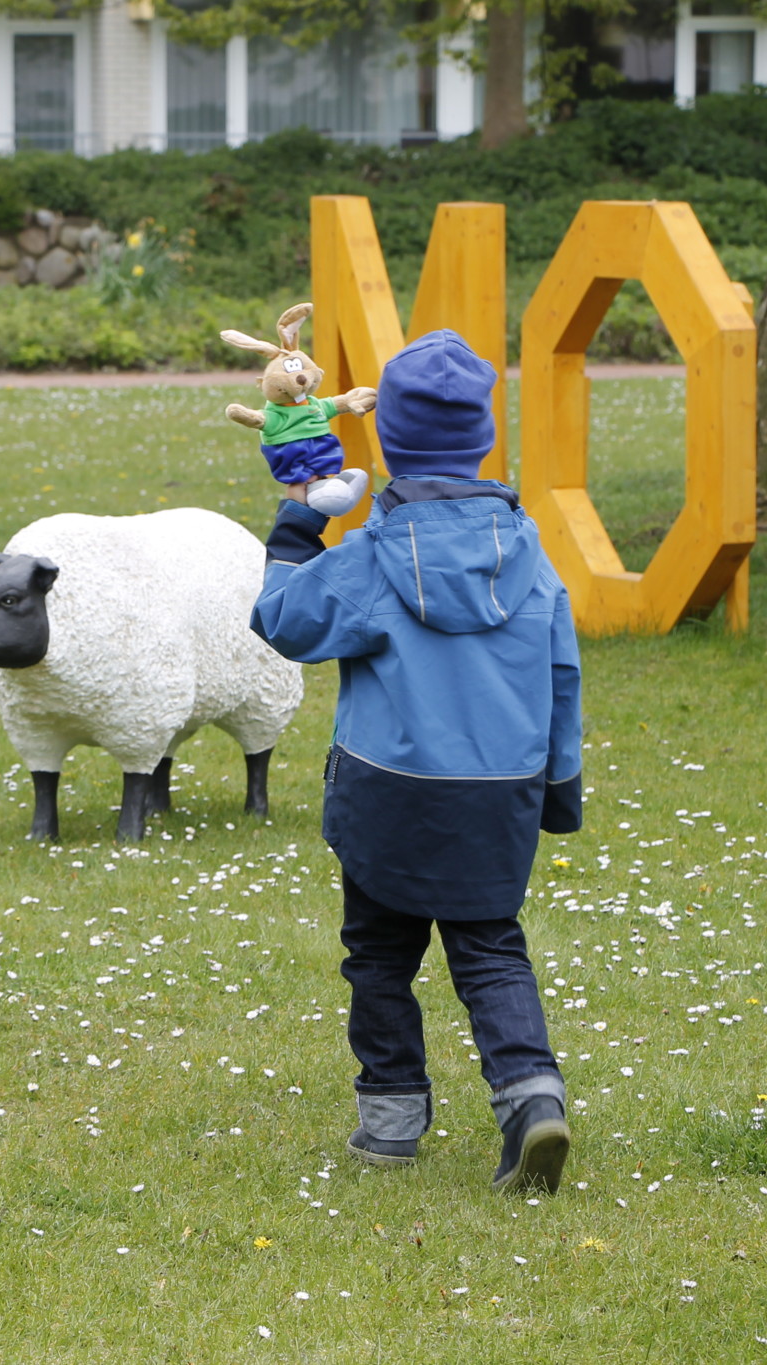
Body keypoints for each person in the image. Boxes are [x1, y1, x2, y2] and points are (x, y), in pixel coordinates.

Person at [250, 328, 584, 1194]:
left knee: (377, 953)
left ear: (386, 438)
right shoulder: (531, 553)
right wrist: (559, 788)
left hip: (388, 795)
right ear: (482, 441)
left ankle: (391, 1122)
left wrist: (298, 520)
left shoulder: (368, 556)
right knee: (490, 950)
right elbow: (561, 671)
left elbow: (283, 619)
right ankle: (531, 1099)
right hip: (498, 792)